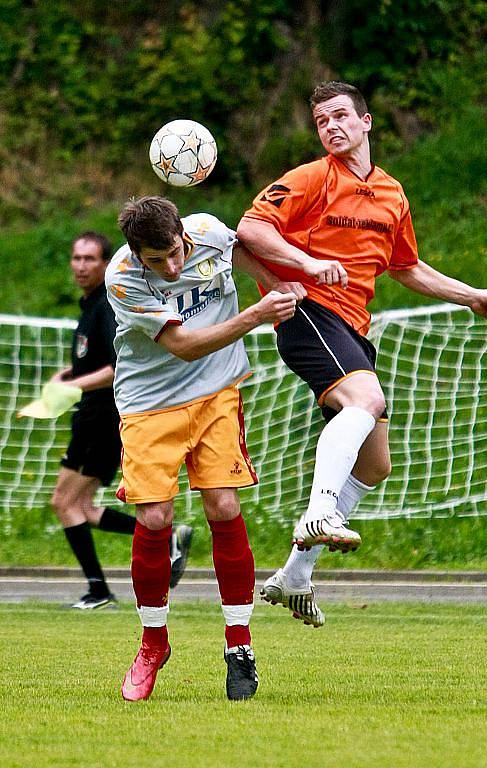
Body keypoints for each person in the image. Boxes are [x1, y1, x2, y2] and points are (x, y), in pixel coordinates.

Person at [237, 80, 487, 628]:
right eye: (321, 121)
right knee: (366, 396)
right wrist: (307, 267)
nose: (331, 126)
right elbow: (249, 230)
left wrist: (471, 295)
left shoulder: (392, 193)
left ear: (366, 123)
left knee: (375, 463)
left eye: (340, 116)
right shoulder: (311, 178)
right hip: (306, 310)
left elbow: (407, 267)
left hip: (352, 328)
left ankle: (294, 575)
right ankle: (318, 512)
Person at [106, 195, 296, 702]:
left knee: (224, 505)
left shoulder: (209, 230)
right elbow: (185, 345)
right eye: (156, 261)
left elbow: (240, 253)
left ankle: (239, 645)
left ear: (185, 235)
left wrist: (279, 288)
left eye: (175, 252)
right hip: (149, 403)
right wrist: (257, 313)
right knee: (153, 521)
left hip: (216, 392)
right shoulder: (122, 277)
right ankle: (153, 643)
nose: (170, 267)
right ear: (136, 255)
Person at [51, 231, 193, 609]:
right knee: (78, 507)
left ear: (106, 263)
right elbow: (95, 359)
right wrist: (67, 375)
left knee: (65, 502)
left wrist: (74, 385)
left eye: (90, 259)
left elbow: (117, 366)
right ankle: (165, 539)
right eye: (77, 258)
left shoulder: (106, 306)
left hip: (102, 417)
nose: (82, 266)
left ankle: (99, 590)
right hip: (93, 417)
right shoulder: (90, 306)